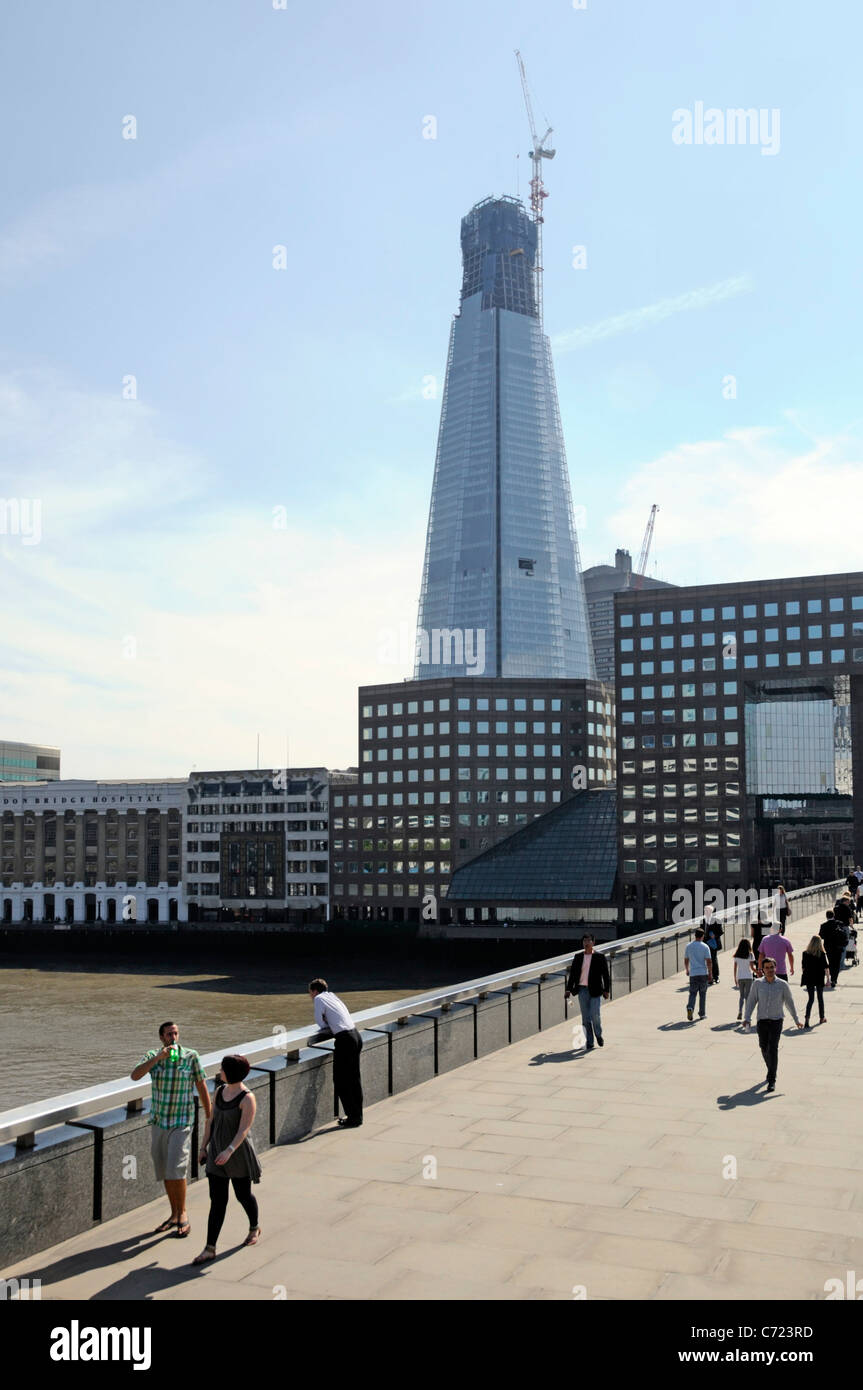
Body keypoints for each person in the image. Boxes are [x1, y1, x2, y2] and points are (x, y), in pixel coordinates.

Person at [130, 1021, 211, 1238]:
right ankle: (174, 1213)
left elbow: (201, 1084)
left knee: (177, 1167)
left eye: (175, 1033)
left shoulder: (190, 1056)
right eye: (168, 1034)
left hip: (182, 1121)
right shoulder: (153, 1057)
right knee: (166, 1169)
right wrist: (158, 1058)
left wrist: (208, 1113)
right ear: (161, 1038)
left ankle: (183, 1213)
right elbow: (135, 1075)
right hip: (159, 1121)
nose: (173, 1037)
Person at [192, 1054, 262, 1266]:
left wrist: (229, 1151)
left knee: (243, 1195)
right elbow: (210, 1121)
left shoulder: (247, 1098)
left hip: (237, 1153)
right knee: (218, 1201)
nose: (219, 1071)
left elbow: (244, 1130)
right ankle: (209, 1248)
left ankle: (254, 1227)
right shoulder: (221, 1091)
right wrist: (204, 1147)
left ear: (230, 1072)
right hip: (216, 1153)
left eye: (222, 1068)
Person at [308, 978, 364, 1127]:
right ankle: (357, 1116)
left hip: (345, 1040)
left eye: (310, 993)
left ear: (314, 991)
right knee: (354, 1079)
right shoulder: (333, 996)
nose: (311, 997)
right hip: (356, 1036)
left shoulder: (319, 998)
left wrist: (326, 1023)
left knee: (341, 1080)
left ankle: (352, 1118)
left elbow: (319, 1021)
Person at [743, 956, 802, 1092]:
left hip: (776, 1021)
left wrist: (796, 1019)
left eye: (772, 967)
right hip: (762, 1021)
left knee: (773, 1048)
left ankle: (771, 1079)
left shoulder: (782, 984)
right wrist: (747, 1017)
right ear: (762, 970)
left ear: (776, 968)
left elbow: (789, 1003)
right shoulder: (757, 984)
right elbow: (751, 1001)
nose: (769, 970)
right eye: (767, 968)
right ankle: (771, 1069)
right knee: (764, 1047)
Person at [565, 934, 611, 1050]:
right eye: (584, 941)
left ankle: (598, 1035)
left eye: (588, 941)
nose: (586, 943)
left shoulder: (599, 957)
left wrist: (606, 990)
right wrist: (568, 989)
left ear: (593, 943)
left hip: (596, 990)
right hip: (582, 990)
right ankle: (589, 1041)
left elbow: (606, 975)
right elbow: (573, 975)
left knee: (595, 1015)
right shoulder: (578, 957)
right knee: (585, 1018)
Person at [683, 926, 713, 1022]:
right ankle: (702, 1014)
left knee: (692, 993)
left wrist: (687, 970)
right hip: (703, 973)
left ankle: (690, 1007)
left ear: (695, 935)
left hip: (693, 973)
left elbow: (686, 959)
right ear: (702, 936)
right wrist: (710, 973)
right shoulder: (705, 946)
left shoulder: (689, 946)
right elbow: (709, 961)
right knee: (702, 994)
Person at [800, 936, 829, 1028]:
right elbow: (826, 967)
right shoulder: (822, 954)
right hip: (819, 977)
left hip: (809, 978)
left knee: (811, 999)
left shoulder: (805, 953)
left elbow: (803, 967)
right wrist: (828, 979)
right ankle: (822, 1017)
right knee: (820, 998)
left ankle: (807, 1019)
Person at [732, 937, 755, 1023]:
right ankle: (747, 1014)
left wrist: (735, 978)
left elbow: (735, 968)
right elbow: (752, 968)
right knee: (748, 996)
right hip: (748, 977)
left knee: (741, 996)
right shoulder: (750, 955)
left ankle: (740, 1011)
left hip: (740, 977)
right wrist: (758, 971)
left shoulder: (737, 956)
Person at [703, 908, 723, 983]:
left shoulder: (717, 920)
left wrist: (714, 935)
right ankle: (708, 976)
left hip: (713, 943)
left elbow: (721, 932)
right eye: (705, 911)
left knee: (713, 959)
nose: (706, 913)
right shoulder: (703, 921)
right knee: (706, 960)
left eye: (707, 911)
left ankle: (716, 976)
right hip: (704, 943)